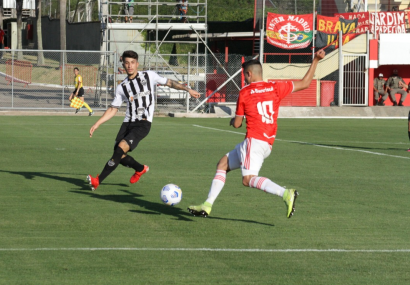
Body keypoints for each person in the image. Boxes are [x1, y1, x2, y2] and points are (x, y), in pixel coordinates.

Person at [188, 50, 326, 219]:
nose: (245, 80)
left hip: (254, 141)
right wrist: (316, 60)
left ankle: (285, 193)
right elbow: (305, 83)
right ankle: (207, 205)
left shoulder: (245, 93)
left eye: (245, 76)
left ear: (249, 74)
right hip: (267, 143)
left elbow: (238, 124)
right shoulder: (276, 87)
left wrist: (233, 121)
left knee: (248, 180)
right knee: (222, 164)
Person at [87, 50, 200, 190]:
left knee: (120, 149)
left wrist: (188, 90)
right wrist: (97, 123)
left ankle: (97, 181)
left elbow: (169, 82)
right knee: (119, 155)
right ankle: (140, 169)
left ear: (137, 64)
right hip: (127, 122)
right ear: (123, 64)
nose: (130, 66)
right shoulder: (122, 87)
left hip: (143, 124)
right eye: (127, 63)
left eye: (132, 63)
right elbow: (113, 108)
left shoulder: (149, 75)